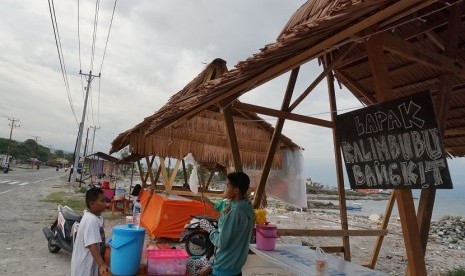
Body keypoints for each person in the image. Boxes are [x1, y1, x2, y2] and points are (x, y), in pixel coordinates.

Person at [188, 172, 255, 276]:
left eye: (227, 186)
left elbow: (221, 243)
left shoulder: (235, 212)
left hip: (224, 268)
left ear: (236, 190)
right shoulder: (248, 207)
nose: (225, 189)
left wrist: (209, 228)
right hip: (236, 268)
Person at [71, 187, 108, 276]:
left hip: (90, 263)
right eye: (102, 201)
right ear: (92, 204)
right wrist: (101, 264)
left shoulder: (96, 217)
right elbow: (92, 245)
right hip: (84, 267)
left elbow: (97, 238)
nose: (105, 203)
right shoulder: (90, 220)